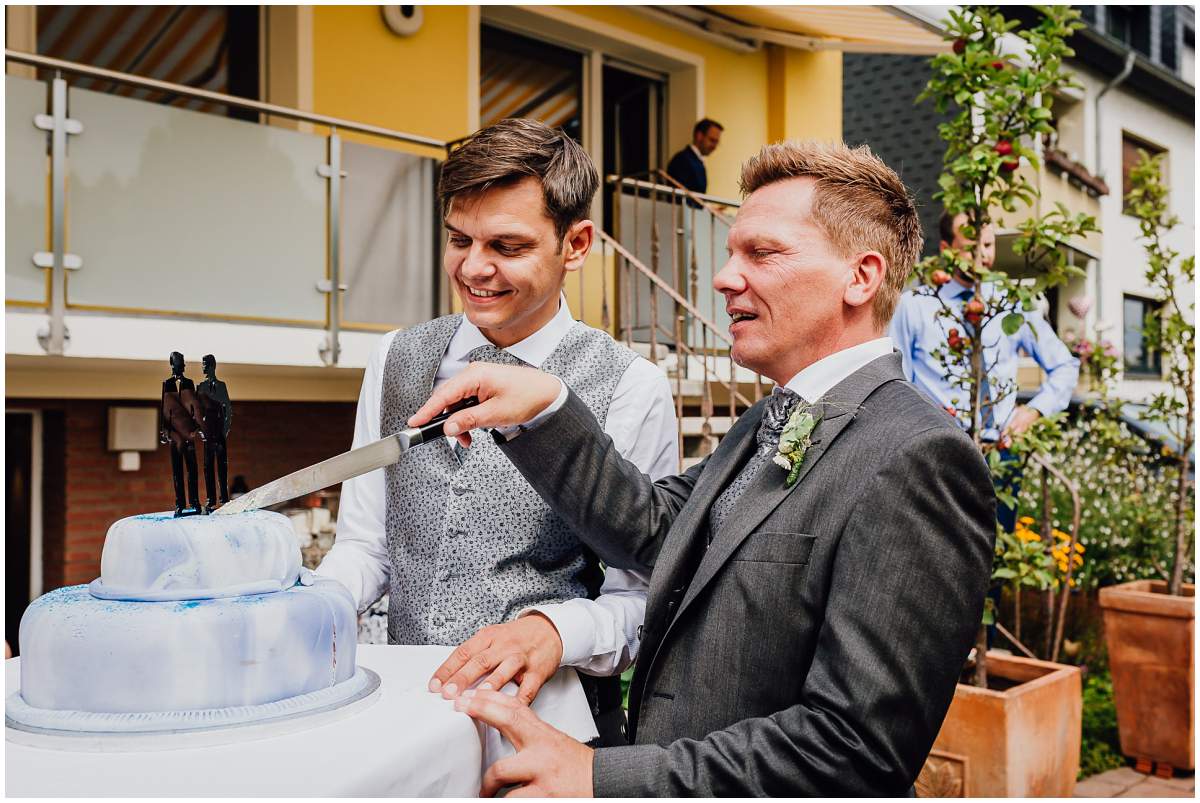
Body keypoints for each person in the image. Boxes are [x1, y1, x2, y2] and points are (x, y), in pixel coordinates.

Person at [409, 140, 997, 795]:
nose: (723, 277)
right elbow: (656, 530)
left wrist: (603, 776)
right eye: (730, 252)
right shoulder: (762, 421)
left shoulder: (917, 456)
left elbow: (854, 749)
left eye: (763, 253)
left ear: (860, 277)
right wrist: (547, 408)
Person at [315, 119, 677, 746]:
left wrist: (557, 630)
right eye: (459, 240)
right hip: (403, 717)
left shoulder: (630, 385)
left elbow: (648, 598)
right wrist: (306, 608)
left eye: (507, 247)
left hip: (551, 730)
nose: (474, 268)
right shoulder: (395, 358)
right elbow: (365, 546)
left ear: (577, 244)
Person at [888, 211, 1080, 531]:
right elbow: (897, 381)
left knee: (999, 550)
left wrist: (1034, 412)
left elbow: (1064, 365)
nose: (983, 255)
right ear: (948, 248)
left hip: (1001, 454)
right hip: (940, 453)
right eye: (972, 245)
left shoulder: (1012, 304)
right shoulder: (915, 306)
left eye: (989, 245)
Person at [160, 352, 205, 517]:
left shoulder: (188, 383)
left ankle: (194, 502)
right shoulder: (168, 384)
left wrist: (198, 426)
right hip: (175, 434)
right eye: (179, 363)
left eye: (183, 363)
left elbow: (194, 407)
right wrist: (164, 431)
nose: (182, 366)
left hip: (189, 433)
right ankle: (180, 503)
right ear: (173, 364)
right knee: (177, 470)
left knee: (192, 469)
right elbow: (164, 408)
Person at [196, 354, 232, 514]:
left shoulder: (222, 386)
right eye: (202, 364)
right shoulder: (201, 386)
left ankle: (224, 498)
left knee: (222, 465)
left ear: (212, 366)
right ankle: (211, 499)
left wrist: (225, 430)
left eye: (205, 364)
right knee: (208, 466)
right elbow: (196, 411)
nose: (203, 367)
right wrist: (200, 430)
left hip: (219, 429)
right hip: (207, 429)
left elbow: (228, 409)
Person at [665, 118, 722, 194]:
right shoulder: (682, 160)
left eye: (717, 142)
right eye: (712, 140)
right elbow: (680, 195)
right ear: (699, 136)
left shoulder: (696, 161)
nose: (714, 146)